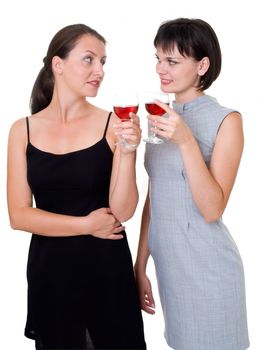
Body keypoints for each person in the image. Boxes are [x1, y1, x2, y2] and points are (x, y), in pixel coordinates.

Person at [7, 23, 146, 350]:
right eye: (89, 59)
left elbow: (123, 211)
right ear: (58, 65)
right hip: (51, 276)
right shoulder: (22, 131)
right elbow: (19, 216)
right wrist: (86, 225)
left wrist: (128, 152)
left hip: (107, 273)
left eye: (103, 62)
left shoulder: (114, 123)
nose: (99, 70)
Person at [134, 18, 249, 350]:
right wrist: (141, 264)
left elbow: (212, 208)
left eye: (172, 60)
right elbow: (155, 196)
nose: (160, 68)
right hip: (171, 270)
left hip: (211, 273)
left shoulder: (227, 120)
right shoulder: (160, 117)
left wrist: (186, 142)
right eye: (158, 58)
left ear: (202, 65)